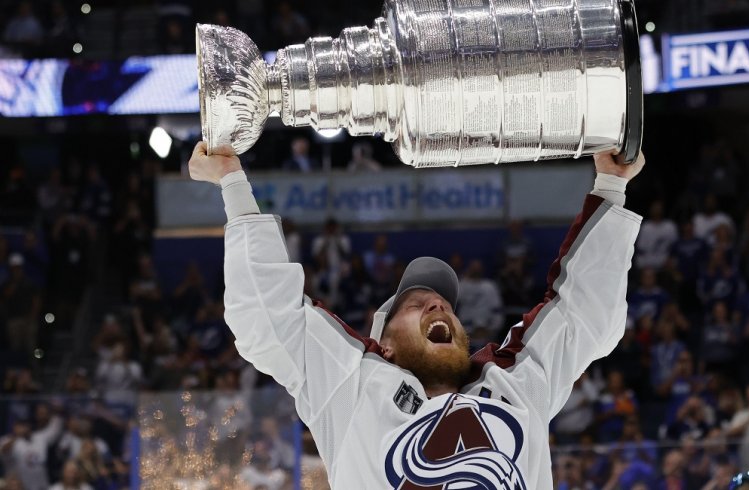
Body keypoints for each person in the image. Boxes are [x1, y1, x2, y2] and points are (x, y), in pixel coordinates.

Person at [188, 141, 645, 488]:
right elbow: (269, 318)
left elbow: (584, 314)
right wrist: (232, 179)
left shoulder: (516, 384)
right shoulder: (351, 388)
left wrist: (610, 183)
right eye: (413, 305)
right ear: (383, 345)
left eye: (443, 304)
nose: (438, 305)